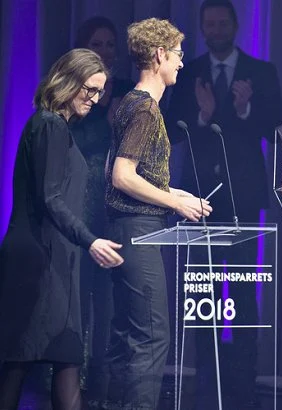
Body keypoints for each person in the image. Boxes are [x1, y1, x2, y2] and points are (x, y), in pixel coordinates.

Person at [167, 1, 282, 406]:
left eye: (222, 22)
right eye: (208, 24)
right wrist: (203, 115)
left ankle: (244, 380)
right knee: (202, 289)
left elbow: (276, 127)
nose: (215, 29)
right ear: (202, 28)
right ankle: (205, 375)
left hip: (243, 197)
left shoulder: (261, 71)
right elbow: (173, 131)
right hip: (197, 197)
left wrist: (242, 109)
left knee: (244, 289)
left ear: (234, 25)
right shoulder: (189, 71)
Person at [0, 48, 124, 410]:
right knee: (18, 363)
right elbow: (51, 198)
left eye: (100, 92)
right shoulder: (48, 125)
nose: (94, 99)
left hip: (57, 260)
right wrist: (91, 241)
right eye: (89, 89)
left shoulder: (58, 129)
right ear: (67, 81)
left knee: (65, 359)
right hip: (36, 263)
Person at [103, 18, 212, 409]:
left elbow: (137, 175)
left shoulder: (133, 103)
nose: (182, 63)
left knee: (128, 334)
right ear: (160, 55)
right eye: (179, 54)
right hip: (139, 231)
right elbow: (121, 175)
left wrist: (178, 194)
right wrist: (175, 203)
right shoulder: (145, 109)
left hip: (130, 226)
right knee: (151, 335)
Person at [71, 16, 135, 404]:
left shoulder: (127, 91)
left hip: (114, 209)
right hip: (80, 205)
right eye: (99, 43)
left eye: (111, 44)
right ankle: (68, 383)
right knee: (78, 300)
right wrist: (100, 114)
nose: (106, 51)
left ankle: (104, 385)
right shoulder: (77, 98)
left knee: (111, 304)